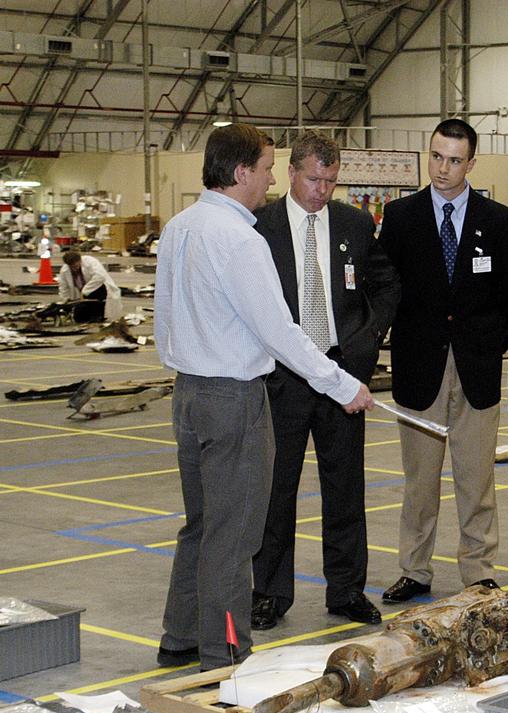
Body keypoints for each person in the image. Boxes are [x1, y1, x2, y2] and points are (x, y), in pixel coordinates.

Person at [153, 123, 373, 672]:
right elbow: (282, 333)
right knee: (234, 534)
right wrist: (344, 386)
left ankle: (180, 635)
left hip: (188, 396)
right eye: (269, 168)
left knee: (201, 525)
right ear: (241, 172)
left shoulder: (179, 228)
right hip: (233, 401)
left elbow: (164, 320)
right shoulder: (241, 240)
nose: (273, 179)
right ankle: (226, 649)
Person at [249, 130, 401, 631]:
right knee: (277, 490)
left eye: (331, 181)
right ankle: (270, 592)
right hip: (283, 380)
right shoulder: (260, 227)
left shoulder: (354, 225)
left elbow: (386, 283)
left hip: (341, 376)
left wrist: (370, 335)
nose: (322, 190)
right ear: (292, 172)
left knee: (345, 488)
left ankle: (346, 590)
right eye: (314, 178)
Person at [377, 119, 508, 604]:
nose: (442, 169)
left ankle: (478, 571)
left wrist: (491, 343)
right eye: (436, 157)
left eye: (454, 160)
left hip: (476, 368)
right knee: (420, 481)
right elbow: (385, 289)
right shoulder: (400, 218)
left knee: (476, 478)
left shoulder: (497, 219)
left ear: (471, 163)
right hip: (420, 369)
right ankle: (415, 570)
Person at [58, 250, 123, 320]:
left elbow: (100, 276)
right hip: (82, 296)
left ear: (80, 260)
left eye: (76, 266)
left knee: (97, 316)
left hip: (98, 290)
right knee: (79, 318)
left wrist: (86, 290)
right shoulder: (64, 270)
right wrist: (65, 301)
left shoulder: (90, 262)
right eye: (72, 267)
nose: (74, 269)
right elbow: (63, 287)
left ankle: (99, 314)